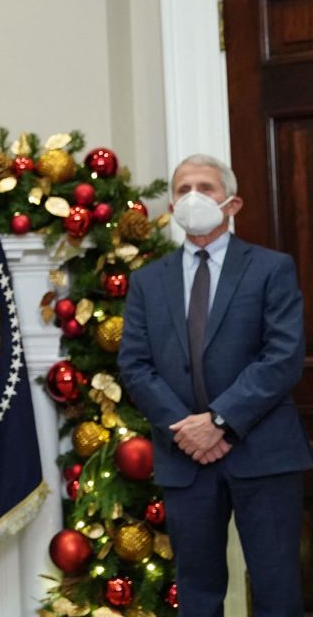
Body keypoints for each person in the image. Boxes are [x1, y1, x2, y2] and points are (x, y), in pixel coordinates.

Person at [119, 154, 309, 616]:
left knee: (277, 589)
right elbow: (135, 364)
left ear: (232, 203)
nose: (193, 197)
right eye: (183, 189)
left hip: (264, 455)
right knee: (198, 594)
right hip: (184, 456)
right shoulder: (147, 281)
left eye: (205, 187)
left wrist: (220, 423)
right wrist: (186, 427)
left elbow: (282, 358)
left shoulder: (271, 268)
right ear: (170, 204)